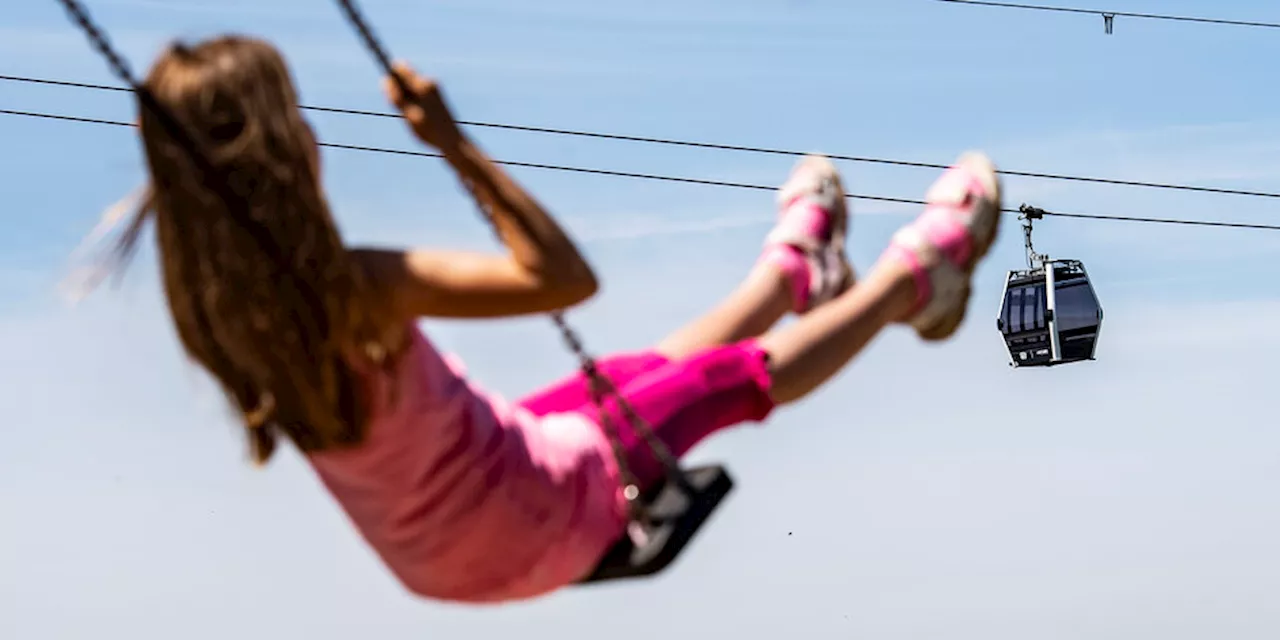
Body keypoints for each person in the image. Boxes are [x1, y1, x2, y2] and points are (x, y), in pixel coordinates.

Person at [85, 35, 1002, 604]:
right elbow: (561, 278)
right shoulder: (356, 287)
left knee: (630, 383)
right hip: (535, 516)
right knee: (726, 383)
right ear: (283, 154)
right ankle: (919, 278)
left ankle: (793, 273)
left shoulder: (209, 311)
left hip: (447, 555)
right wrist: (453, 145)